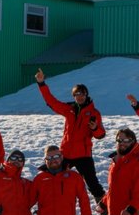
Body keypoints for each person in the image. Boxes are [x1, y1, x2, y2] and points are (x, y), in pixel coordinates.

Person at [35, 69, 106, 205]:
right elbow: (51, 102)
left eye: (82, 94)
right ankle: (50, 201)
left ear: (86, 95)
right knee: (53, 177)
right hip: (66, 154)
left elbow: (101, 134)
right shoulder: (69, 109)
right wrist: (41, 83)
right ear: (73, 96)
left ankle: (105, 208)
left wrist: (95, 128)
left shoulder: (93, 113)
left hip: (83, 155)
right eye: (77, 94)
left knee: (93, 184)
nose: (80, 97)